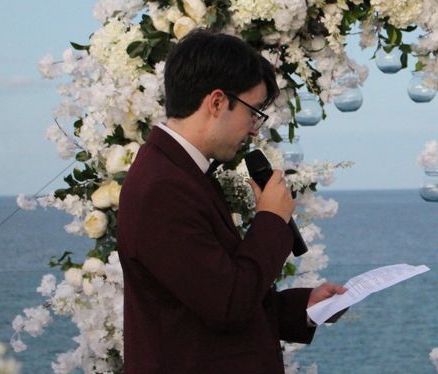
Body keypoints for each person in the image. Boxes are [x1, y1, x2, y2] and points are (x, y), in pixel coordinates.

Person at [117, 30, 346, 373]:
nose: (254, 129)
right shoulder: (163, 188)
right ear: (217, 103)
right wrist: (270, 219)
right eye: (253, 112)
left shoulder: (181, 172)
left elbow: (208, 293)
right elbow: (228, 305)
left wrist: (306, 308)